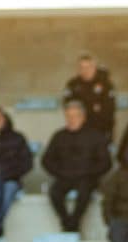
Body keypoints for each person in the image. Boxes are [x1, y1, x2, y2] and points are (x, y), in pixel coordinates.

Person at [41, 99, 112, 234]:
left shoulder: (95, 136)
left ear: (83, 117)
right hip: (64, 177)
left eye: (75, 116)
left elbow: (105, 162)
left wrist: (88, 172)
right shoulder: (59, 136)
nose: (71, 119)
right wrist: (60, 172)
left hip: (87, 177)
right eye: (68, 116)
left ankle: (74, 222)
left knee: (84, 193)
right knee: (54, 193)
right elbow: (47, 160)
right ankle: (66, 221)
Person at [63, 54, 117, 142]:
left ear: (94, 67)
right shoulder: (73, 85)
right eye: (82, 68)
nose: (85, 70)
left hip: (101, 129)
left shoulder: (105, 84)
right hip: (79, 131)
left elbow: (109, 109)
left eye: (88, 67)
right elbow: (68, 106)